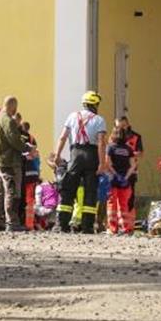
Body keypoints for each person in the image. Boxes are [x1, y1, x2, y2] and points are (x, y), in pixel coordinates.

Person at [53, 91, 108, 233]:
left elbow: (63, 137)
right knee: (90, 191)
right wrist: (102, 163)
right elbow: (101, 143)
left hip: (75, 154)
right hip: (91, 155)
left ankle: (61, 225)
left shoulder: (72, 116)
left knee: (68, 189)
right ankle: (87, 227)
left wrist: (57, 155)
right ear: (95, 104)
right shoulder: (99, 120)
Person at [0, 96, 31, 232]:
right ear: (13, 106)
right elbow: (14, 140)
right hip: (10, 162)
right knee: (12, 192)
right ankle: (12, 222)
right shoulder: (8, 121)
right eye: (16, 107)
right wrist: (28, 148)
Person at [105, 128, 137, 234]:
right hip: (125, 180)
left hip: (112, 179)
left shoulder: (110, 147)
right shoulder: (129, 149)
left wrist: (115, 174)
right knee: (124, 204)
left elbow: (108, 163)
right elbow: (133, 165)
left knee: (111, 204)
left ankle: (113, 228)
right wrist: (126, 177)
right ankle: (125, 228)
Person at [17, 119, 41, 230]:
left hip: (23, 173)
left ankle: (22, 222)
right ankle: (29, 224)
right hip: (32, 174)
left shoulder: (18, 138)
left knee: (20, 199)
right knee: (30, 200)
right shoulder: (32, 138)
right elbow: (36, 156)